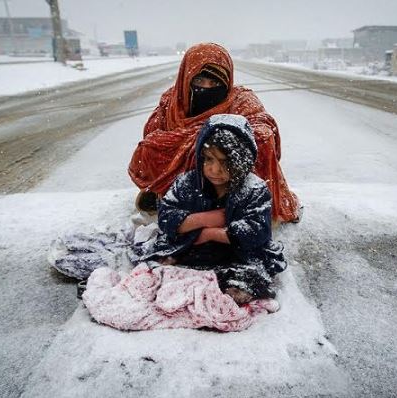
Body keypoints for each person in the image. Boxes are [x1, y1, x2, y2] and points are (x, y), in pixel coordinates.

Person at [128, 42, 301, 223]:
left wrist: (217, 141)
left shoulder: (240, 100)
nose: (206, 88)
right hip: (183, 188)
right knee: (151, 149)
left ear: (226, 82)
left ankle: (237, 205)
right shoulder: (172, 103)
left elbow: (263, 128)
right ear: (186, 80)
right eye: (199, 81)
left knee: (247, 144)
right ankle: (170, 194)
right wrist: (194, 143)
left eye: (215, 82)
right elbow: (151, 140)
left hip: (230, 183)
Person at [147, 114, 287, 304]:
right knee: (158, 268)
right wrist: (207, 219)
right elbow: (166, 218)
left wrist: (212, 234)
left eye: (226, 162)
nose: (215, 170)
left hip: (237, 254)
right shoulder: (187, 183)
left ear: (242, 161)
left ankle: (231, 287)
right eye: (209, 160)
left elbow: (257, 232)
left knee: (251, 276)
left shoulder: (255, 189)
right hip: (192, 249)